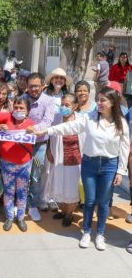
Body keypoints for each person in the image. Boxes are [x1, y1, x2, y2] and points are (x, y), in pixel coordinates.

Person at [34, 87, 129, 251]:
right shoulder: (90, 118)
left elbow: (124, 148)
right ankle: (86, 232)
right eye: (97, 99)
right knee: (90, 200)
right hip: (89, 164)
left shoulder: (121, 123)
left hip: (109, 165)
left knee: (104, 202)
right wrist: (45, 131)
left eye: (102, 100)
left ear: (112, 102)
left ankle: (100, 234)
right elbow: (68, 127)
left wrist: (121, 171)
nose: (98, 103)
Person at [0, 97, 35, 232]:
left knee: (22, 192)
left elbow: (36, 134)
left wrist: (31, 131)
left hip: (24, 165)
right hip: (7, 164)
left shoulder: (31, 124)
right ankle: (9, 217)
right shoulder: (7, 118)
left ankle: (20, 217)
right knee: (9, 192)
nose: (18, 110)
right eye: (16, 107)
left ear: (27, 111)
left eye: (22, 108)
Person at [24, 73, 56, 222]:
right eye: (31, 86)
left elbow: (47, 121)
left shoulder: (49, 101)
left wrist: (32, 128)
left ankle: (32, 205)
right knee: (22, 174)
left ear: (42, 85)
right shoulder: (22, 99)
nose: (34, 89)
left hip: (40, 143)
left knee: (35, 176)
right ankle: (21, 202)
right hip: (22, 144)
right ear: (27, 86)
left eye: (37, 86)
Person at [47, 94, 82, 227]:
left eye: (67, 105)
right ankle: (63, 210)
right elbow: (51, 135)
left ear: (75, 106)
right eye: (62, 104)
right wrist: (49, 150)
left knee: (72, 188)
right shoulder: (57, 118)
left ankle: (69, 214)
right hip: (59, 157)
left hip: (75, 159)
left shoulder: (81, 119)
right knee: (59, 184)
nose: (63, 107)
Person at [41, 68, 73, 211]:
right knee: (45, 169)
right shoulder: (44, 96)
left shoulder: (66, 97)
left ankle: (53, 198)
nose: (59, 80)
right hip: (47, 135)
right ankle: (42, 198)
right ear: (51, 80)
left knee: (57, 169)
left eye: (62, 78)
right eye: (56, 78)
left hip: (62, 137)